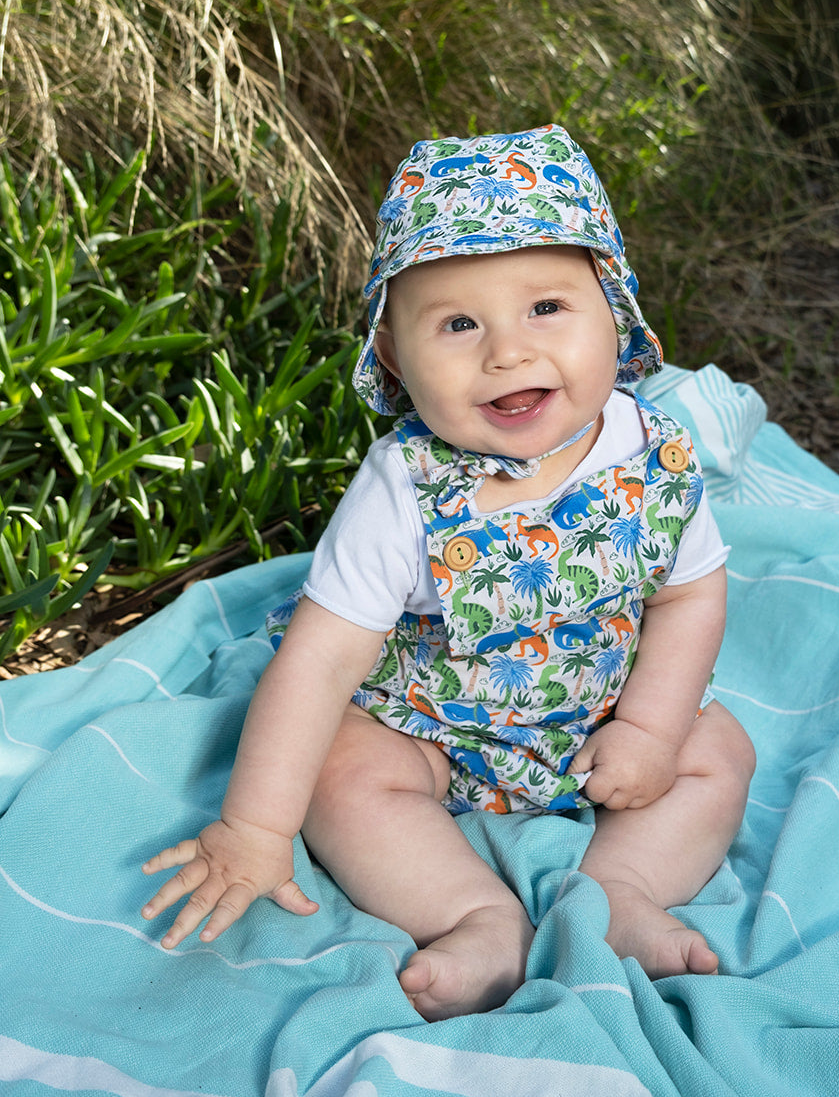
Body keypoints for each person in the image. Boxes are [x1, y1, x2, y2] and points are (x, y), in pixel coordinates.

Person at [142, 125, 756, 1020]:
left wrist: (654, 731)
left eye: (547, 307)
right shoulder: (404, 486)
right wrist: (254, 828)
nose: (506, 352)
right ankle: (472, 916)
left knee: (719, 750)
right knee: (338, 770)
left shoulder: (652, 451)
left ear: (612, 313)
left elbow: (691, 591)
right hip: (429, 722)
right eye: (458, 324)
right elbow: (319, 663)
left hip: (600, 709)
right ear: (393, 358)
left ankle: (621, 891)